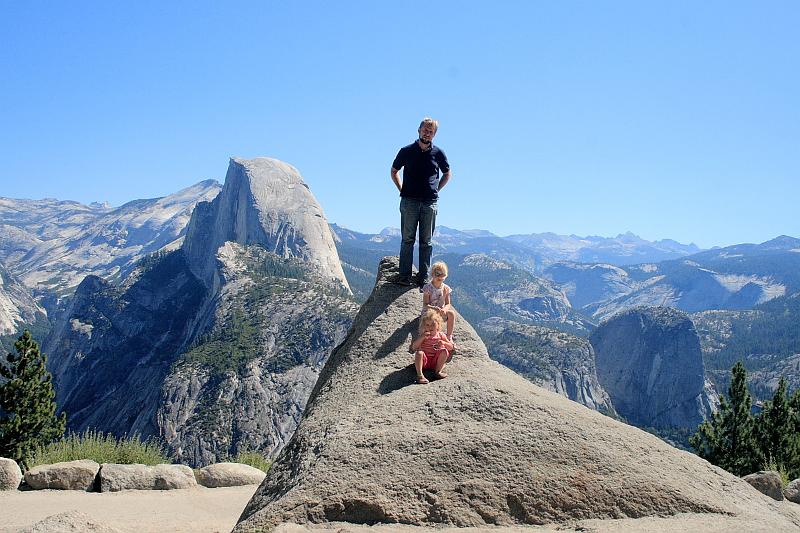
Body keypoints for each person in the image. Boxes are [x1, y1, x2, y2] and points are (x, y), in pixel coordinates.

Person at [390, 117, 451, 287]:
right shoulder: (406, 151)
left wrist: (436, 190)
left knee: (426, 241)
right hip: (409, 200)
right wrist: (401, 188)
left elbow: (447, 173)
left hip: (429, 202)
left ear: (434, 134)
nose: (427, 133)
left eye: (431, 131)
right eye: (425, 130)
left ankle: (424, 277)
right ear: (419, 130)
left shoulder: (438, 153)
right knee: (407, 239)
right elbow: (394, 170)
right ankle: (404, 277)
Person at [411, 309, 454, 384]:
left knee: (444, 351)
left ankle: (437, 372)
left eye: (433, 324)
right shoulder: (423, 335)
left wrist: (443, 343)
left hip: (436, 362)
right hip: (425, 361)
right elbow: (414, 347)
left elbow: (451, 347)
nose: (430, 327)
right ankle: (420, 376)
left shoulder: (440, 335)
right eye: (427, 325)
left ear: (438, 324)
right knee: (419, 353)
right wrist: (422, 338)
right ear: (424, 326)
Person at [422, 261, 456, 342]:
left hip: (440, 311)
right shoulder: (428, 288)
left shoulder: (446, 288)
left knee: (451, 313)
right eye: (437, 274)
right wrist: (434, 308)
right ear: (432, 274)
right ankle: (434, 336)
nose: (440, 276)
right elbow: (425, 304)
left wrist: (444, 309)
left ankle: (449, 336)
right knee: (433, 321)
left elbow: (448, 303)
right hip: (429, 312)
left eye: (443, 274)